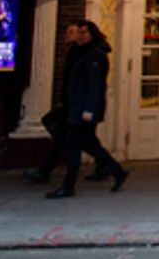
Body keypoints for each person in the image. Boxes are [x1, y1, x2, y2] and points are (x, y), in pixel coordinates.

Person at [47, 20, 128, 199]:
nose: (80, 36)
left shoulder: (95, 55)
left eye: (84, 33)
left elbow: (95, 84)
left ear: (92, 34)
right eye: (79, 32)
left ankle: (68, 186)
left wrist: (89, 108)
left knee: (74, 145)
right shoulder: (79, 53)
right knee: (89, 144)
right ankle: (117, 171)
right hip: (75, 106)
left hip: (83, 109)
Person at [24, 22, 83, 184]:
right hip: (71, 104)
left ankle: (53, 174)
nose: (67, 35)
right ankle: (109, 166)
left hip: (76, 105)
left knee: (70, 140)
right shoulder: (73, 52)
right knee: (82, 141)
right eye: (67, 31)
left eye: (71, 32)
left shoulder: (82, 54)